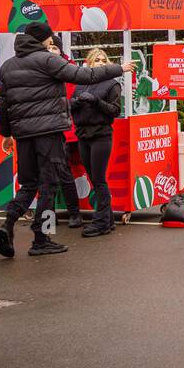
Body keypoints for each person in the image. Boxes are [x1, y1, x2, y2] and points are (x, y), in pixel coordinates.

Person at [0, 21, 133, 257]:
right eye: (50, 38)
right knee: (48, 185)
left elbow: (3, 104)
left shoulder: (8, 66)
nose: (52, 41)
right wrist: (119, 68)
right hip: (49, 133)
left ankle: (7, 224)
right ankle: (41, 238)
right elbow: (83, 74)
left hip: (23, 134)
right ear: (45, 39)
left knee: (28, 184)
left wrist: (6, 134)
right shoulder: (48, 60)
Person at [69, 48, 123, 238]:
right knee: (94, 179)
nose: (101, 63)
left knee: (99, 180)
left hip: (101, 135)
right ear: (89, 63)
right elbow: (70, 109)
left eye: (104, 60)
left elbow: (115, 111)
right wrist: (74, 104)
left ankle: (101, 222)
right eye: (97, 60)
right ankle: (107, 221)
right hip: (83, 135)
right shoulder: (80, 84)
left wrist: (96, 101)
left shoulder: (112, 85)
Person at [47, 41, 84, 228]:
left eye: (55, 48)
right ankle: (47, 217)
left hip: (65, 130)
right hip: (45, 129)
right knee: (46, 176)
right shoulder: (39, 69)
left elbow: (74, 99)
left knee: (63, 172)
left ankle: (74, 213)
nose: (52, 51)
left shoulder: (69, 70)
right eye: (49, 48)